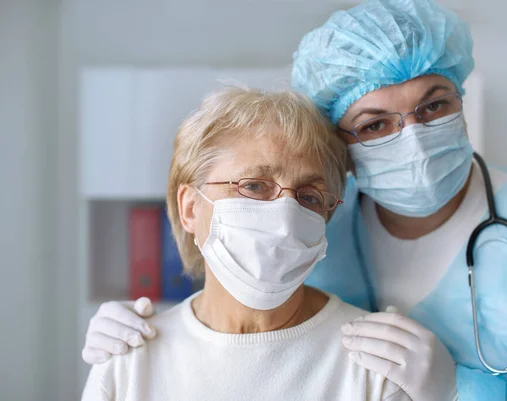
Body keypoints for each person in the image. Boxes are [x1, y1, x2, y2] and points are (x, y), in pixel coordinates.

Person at [81, 0, 507, 400]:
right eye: (375, 123)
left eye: (434, 105)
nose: (415, 138)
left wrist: (458, 390)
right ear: (344, 151)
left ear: (461, 99)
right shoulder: (318, 213)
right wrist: (147, 337)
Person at [82, 87, 410, 401]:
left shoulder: (371, 365)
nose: (285, 217)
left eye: (309, 196)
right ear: (190, 208)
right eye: (254, 186)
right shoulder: (129, 360)